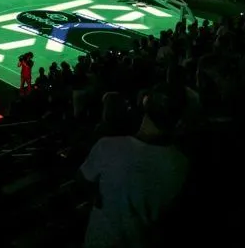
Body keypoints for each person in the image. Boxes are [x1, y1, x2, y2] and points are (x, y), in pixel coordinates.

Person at [78, 83, 188, 248]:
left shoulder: (108, 146)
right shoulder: (182, 164)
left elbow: (80, 182)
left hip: (102, 239)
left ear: (144, 103)